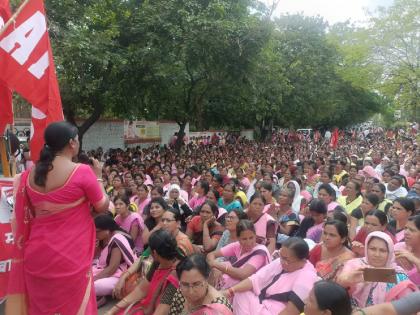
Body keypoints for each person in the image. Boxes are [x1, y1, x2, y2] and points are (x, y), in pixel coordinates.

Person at [6, 121, 109, 314]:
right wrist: (99, 176)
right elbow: (102, 206)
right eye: (77, 139)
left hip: (36, 254)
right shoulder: (82, 172)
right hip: (70, 255)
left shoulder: (29, 175)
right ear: (72, 143)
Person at [224, 237, 318, 315]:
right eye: (281, 256)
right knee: (241, 292)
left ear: (303, 260)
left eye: (286, 259)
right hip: (262, 304)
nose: (282, 262)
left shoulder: (307, 276)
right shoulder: (281, 261)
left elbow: (290, 312)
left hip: (275, 312)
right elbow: (255, 279)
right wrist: (230, 291)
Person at [106, 230, 180, 315]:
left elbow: (162, 309)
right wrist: (112, 310)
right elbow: (141, 290)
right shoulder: (158, 263)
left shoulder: (175, 275)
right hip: (146, 308)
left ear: (154, 253)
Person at [337, 231, 415, 308]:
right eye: (372, 249)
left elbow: (408, 305)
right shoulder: (354, 265)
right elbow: (337, 292)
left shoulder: (397, 274)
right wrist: (348, 280)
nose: (377, 254)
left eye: (382, 250)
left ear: (390, 252)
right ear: (366, 249)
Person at [207, 220, 271, 289]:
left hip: (254, 288)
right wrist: (216, 268)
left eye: (251, 238)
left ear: (255, 236)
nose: (248, 242)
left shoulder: (260, 252)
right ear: (238, 238)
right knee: (214, 273)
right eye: (244, 239)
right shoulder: (237, 246)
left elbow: (243, 274)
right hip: (240, 285)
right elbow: (210, 255)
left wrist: (218, 266)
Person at [93, 214, 136, 305]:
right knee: (83, 274)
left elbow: (112, 268)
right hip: (105, 268)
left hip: (120, 274)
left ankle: (99, 297)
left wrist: (93, 279)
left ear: (107, 230)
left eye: (97, 231)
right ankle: (98, 296)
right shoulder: (103, 237)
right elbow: (97, 257)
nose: (95, 234)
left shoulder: (117, 239)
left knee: (93, 286)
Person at [394, 214, 420, 286]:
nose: (406, 233)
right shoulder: (399, 247)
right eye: (405, 228)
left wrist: (414, 259)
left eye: (412, 230)